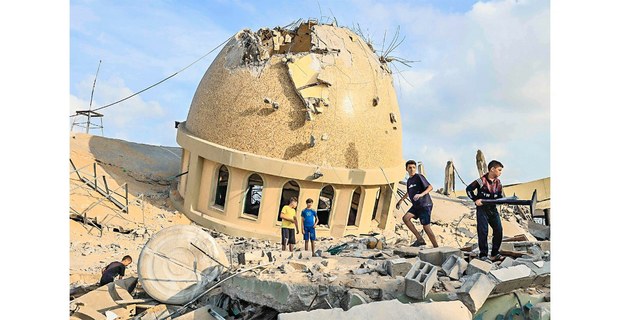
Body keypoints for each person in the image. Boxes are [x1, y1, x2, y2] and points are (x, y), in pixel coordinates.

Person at [466, 160, 504, 262]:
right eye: (499, 170)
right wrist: (475, 200)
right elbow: (468, 189)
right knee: (483, 231)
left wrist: (503, 201)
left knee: (499, 230)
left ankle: (495, 253)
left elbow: (500, 196)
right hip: (482, 209)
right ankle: (483, 254)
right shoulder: (481, 181)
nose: (500, 172)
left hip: (493, 209)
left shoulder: (498, 183)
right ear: (492, 169)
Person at [396, 160, 439, 247]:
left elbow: (430, 187)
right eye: (410, 168)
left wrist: (421, 194)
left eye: (413, 167)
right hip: (416, 206)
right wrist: (400, 201)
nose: (412, 169)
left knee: (426, 227)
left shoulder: (419, 177)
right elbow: (408, 192)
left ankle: (436, 247)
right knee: (406, 218)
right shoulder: (409, 181)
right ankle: (420, 239)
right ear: (406, 169)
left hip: (424, 204)